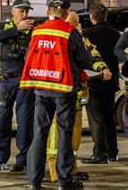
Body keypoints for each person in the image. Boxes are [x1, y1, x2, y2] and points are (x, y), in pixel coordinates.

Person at [21, 0, 91, 189]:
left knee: (39, 133)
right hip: (63, 90)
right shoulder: (69, 32)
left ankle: (34, 181)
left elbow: (30, 57)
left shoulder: (37, 31)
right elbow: (84, 60)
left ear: (49, 11)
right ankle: (64, 180)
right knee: (64, 134)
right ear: (67, 12)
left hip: (41, 89)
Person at [46, 11, 112, 183]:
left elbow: (93, 56)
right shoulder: (55, 38)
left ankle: (71, 170)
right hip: (58, 92)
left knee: (74, 134)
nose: (71, 27)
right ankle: (55, 171)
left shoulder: (81, 39)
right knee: (56, 133)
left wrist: (102, 68)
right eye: (69, 23)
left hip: (77, 91)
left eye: (74, 24)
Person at [0, 0, 35, 172]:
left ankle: (22, 160)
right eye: (21, 11)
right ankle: (0, 159)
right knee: (2, 120)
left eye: (27, 11)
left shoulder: (33, 29)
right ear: (13, 12)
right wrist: (17, 29)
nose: (25, 14)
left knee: (24, 121)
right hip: (7, 81)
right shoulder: (4, 26)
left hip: (25, 81)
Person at [81, 3, 121, 164]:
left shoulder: (86, 34)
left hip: (95, 81)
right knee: (109, 116)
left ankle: (100, 152)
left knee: (95, 117)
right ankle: (113, 151)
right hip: (111, 81)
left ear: (91, 17)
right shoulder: (116, 34)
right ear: (105, 16)